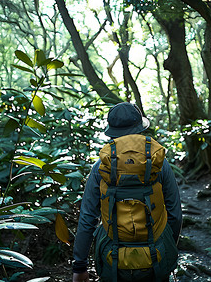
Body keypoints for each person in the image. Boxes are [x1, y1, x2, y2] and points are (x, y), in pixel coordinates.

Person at [72, 102, 182, 282]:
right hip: (157, 254)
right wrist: (167, 247)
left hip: (111, 258)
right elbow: (175, 215)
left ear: (112, 132)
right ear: (140, 129)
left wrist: (79, 266)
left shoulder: (101, 167)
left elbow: (87, 218)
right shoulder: (159, 165)